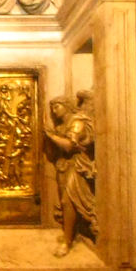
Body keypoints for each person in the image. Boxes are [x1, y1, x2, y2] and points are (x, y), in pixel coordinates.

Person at [45, 95, 98, 257]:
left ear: (67, 106)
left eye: (57, 107)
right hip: (65, 166)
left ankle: (67, 242)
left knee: (68, 202)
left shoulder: (77, 122)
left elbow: (69, 145)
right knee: (65, 202)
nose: (54, 111)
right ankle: (70, 233)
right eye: (52, 108)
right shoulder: (62, 125)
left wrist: (51, 136)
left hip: (78, 166)